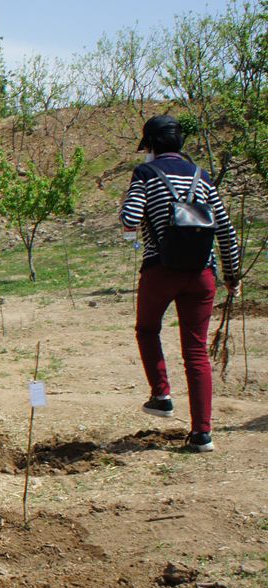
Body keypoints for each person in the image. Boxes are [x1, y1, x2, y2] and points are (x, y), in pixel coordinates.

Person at [120, 115, 241, 452]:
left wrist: (136, 217)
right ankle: (202, 434)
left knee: (147, 329)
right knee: (196, 352)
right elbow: (227, 233)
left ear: (152, 146)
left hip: (160, 269)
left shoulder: (145, 174)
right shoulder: (202, 178)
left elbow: (130, 217)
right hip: (202, 275)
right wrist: (231, 277)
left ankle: (162, 394)